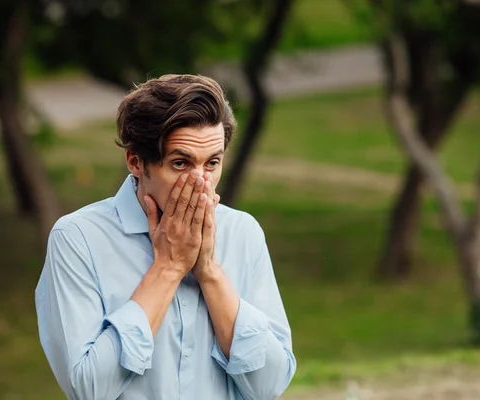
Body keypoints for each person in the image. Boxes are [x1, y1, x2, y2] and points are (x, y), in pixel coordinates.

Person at [35, 74, 297, 400]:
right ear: (135, 161)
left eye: (212, 163)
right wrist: (169, 267)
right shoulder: (78, 239)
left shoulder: (243, 233)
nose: (201, 183)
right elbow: (88, 388)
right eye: (180, 163)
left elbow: (270, 386)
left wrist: (210, 272)